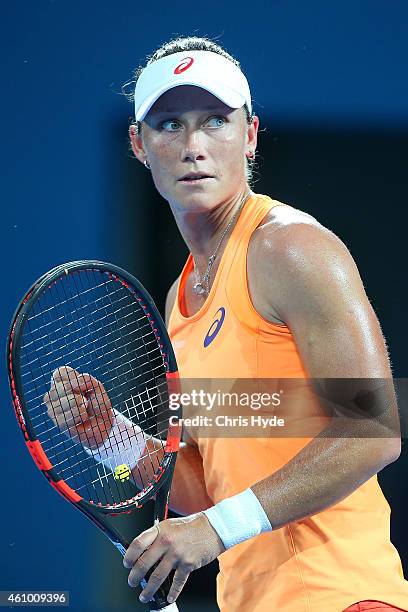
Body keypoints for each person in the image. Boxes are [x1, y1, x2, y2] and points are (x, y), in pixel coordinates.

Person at [45, 37, 408, 611]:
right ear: (138, 144)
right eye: (169, 125)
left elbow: (374, 429)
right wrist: (108, 433)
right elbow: (205, 488)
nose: (193, 146)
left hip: (341, 597)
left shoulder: (289, 248)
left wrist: (213, 530)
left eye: (215, 120)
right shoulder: (181, 298)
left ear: (251, 134)